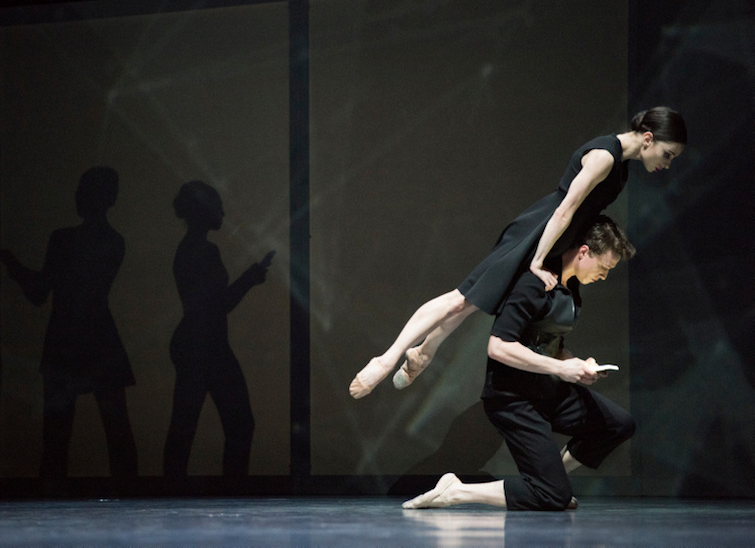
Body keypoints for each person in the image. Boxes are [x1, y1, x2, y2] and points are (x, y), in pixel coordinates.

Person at [350, 107, 686, 399]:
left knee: (472, 304)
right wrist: (538, 260)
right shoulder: (605, 157)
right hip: (536, 233)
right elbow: (565, 209)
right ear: (647, 137)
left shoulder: (620, 166)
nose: (667, 164)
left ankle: (424, 352)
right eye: (668, 154)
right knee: (460, 298)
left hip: (550, 239)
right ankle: (386, 359)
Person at [402, 215, 636, 511]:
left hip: (549, 391)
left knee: (618, 424)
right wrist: (562, 369)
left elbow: (552, 344)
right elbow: (498, 346)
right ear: (583, 252)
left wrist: (579, 364)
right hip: (514, 399)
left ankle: (550, 481)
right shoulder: (533, 284)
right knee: (554, 497)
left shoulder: (571, 289)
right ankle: (456, 491)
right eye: (603, 268)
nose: (604, 276)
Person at [2, 167, 138, 482]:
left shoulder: (64, 239)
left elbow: (39, 292)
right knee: (117, 433)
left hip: (65, 341)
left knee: (57, 437)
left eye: (82, 190)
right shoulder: (114, 242)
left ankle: (52, 497)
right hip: (101, 339)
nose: (77, 195)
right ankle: (131, 496)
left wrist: (11, 264)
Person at [163, 181, 273, 479]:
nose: (223, 211)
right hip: (205, 344)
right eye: (217, 205)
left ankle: (175, 487)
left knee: (186, 422)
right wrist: (250, 278)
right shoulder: (201, 251)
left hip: (198, 343)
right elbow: (217, 305)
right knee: (235, 423)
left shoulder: (190, 249)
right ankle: (232, 489)